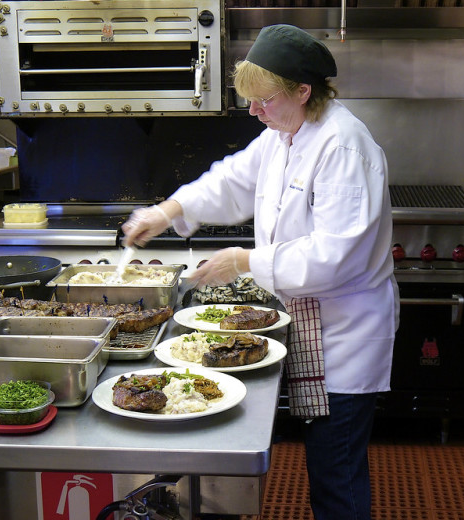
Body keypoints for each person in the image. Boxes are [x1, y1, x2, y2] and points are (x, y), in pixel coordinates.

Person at [122, 24, 399, 520]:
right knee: (325, 465)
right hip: (311, 321)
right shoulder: (285, 132)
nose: (254, 111)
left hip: (345, 335)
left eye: (263, 100)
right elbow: (232, 179)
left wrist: (243, 261)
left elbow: (337, 256)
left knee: (336, 471)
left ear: (303, 91)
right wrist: (169, 210)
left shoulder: (343, 145)